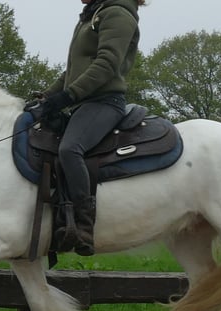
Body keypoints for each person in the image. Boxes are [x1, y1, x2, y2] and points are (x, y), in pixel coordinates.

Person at [39, 0, 146, 256]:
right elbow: (72, 72)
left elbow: (107, 63)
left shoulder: (118, 14)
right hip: (82, 103)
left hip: (104, 102)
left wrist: (68, 96)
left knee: (69, 149)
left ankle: (84, 225)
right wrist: (47, 97)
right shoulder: (92, 16)